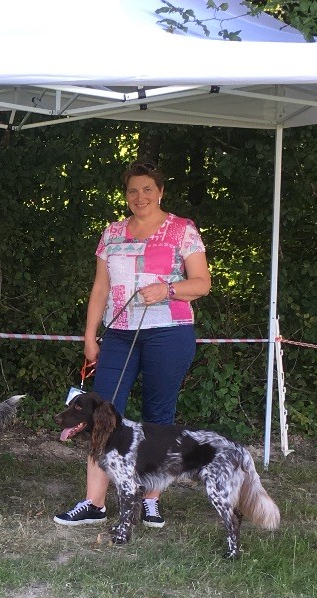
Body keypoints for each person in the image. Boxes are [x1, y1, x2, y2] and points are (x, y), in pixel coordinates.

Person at [54, 159, 211, 529]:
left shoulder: (182, 229)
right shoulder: (112, 232)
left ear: (160, 192)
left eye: (147, 189)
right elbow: (100, 288)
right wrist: (91, 334)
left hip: (169, 332)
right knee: (100, 415)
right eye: (132, 190)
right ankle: (94, 503)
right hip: (120, 334)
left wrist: (168, 289)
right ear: (125, 195)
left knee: (159, 417)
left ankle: (151, 499)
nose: (139, 197)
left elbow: (202, 283)